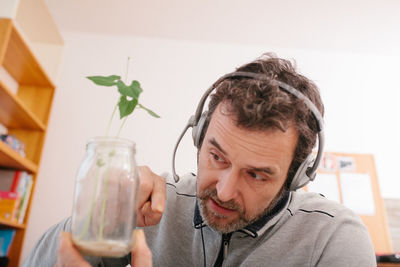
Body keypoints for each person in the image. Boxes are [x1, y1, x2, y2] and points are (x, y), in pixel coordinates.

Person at [23, 53, 376, 267]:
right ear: (197, 136)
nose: (223, 191)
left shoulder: (334, 238)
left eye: (256, 175)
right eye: (217, 156)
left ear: (298, 175)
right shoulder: (150, 205)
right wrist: (101, 214)